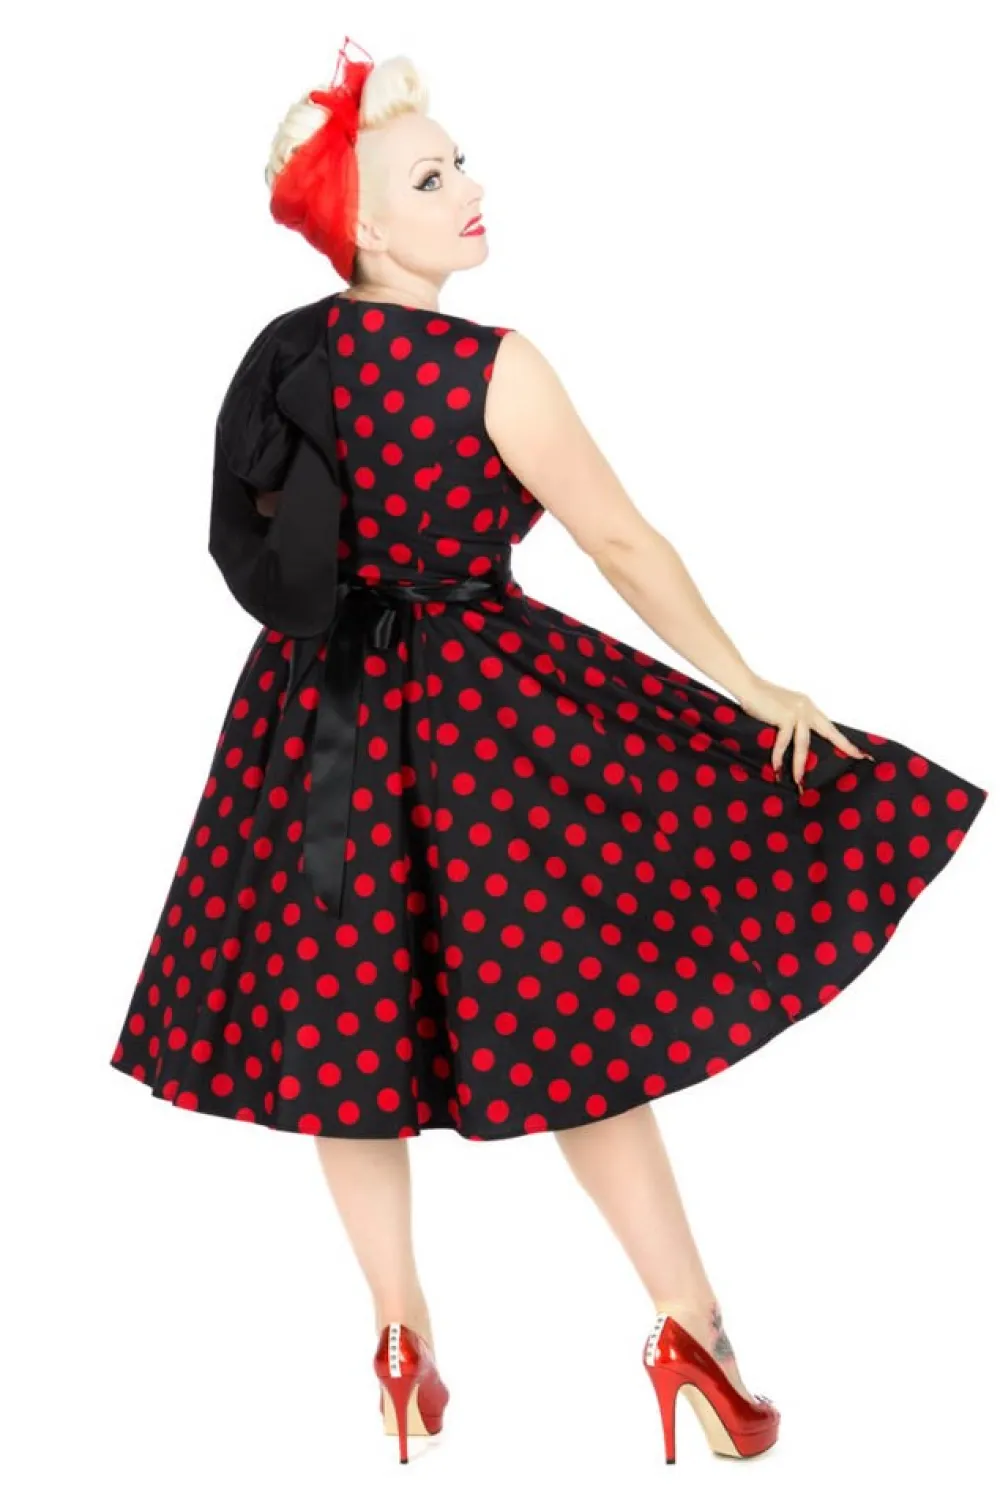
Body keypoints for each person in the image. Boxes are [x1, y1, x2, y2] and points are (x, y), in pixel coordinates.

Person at [108, 34, 989, 1466]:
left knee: (344, 1034)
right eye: (430, 178)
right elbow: (624, 545)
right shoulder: (492, 369)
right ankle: (692, 1332)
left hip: (311, 723)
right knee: (580, 1029)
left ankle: (400, 1341)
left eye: (458, 164)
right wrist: (749, 685)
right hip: (481, 727)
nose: (470, 189)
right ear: (363, 226)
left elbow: (258, 538)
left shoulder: (287, 359)